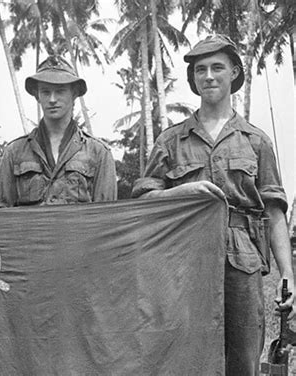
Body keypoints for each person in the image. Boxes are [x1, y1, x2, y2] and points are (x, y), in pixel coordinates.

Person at [131, 34, 294, 375]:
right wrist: (184, 192)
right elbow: (144, 202)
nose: (208, 76)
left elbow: (274, 211)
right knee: (181, 355)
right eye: (200, 69)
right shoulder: (170, 141)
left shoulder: (256, 141)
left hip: (242, 259)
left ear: (234, 73)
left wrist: (288, 275)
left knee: (243, 359)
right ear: (193, 79)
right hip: (181, 260)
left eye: (217, 67)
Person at [0, 55, 116, 207]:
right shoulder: (14, 152)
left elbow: (107, 217)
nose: (52, 99)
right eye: (45, 92)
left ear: (74, 94)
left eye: (60, 91)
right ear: (37, 96)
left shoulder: (98, 153)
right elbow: (0, 215)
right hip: (29, 230)